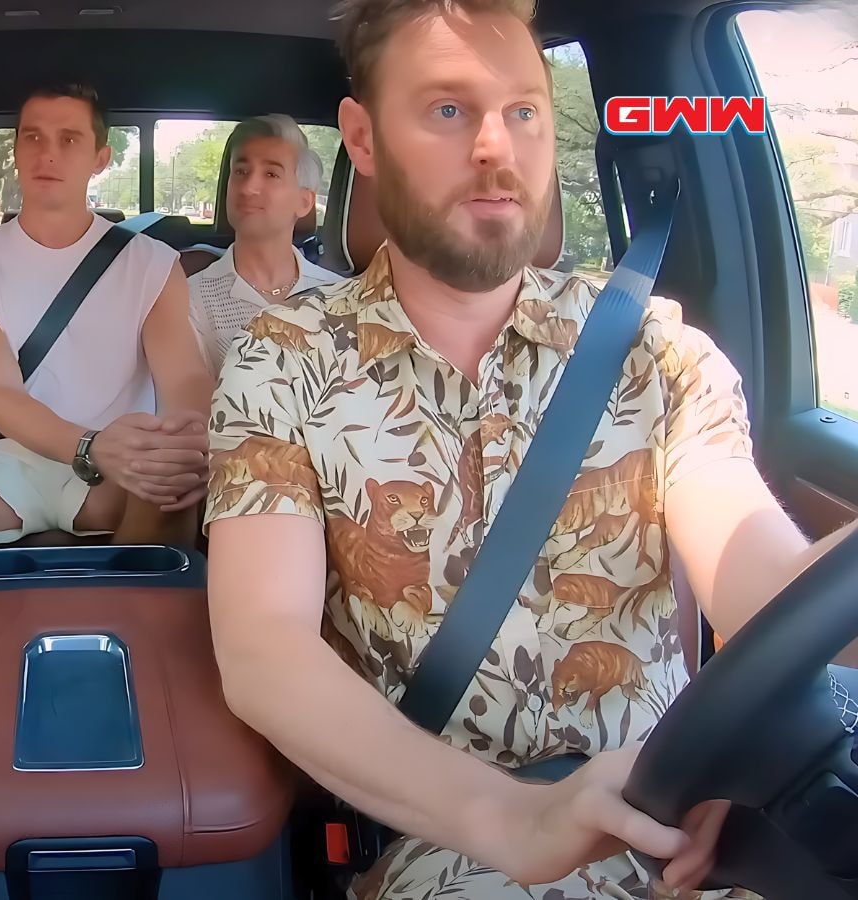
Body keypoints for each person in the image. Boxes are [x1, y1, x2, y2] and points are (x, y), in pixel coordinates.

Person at [202, 2, 857, 899]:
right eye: (446, 111)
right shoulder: (281, 360)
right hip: (447, 843)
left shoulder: (658, 355)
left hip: (682, 825)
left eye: (523, 112)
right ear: (360, 136)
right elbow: (263, 649)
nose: (494, 150)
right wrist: (510, 820)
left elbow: (764, 585)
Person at [0, 84, 213, 576]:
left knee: (169, 469)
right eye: (33, 137)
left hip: (122, 468)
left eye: (69, 139)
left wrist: (181, 444)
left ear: (100, 158)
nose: (47, 153)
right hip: (9, 462)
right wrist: (89, 445)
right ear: (17, 148)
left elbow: (185, 381)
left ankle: (131, 614)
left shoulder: (152, 264)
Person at [188, 114, 341, 371]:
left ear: (304, 201)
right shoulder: (191, 298)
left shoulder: (337, 297)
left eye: (271, 173)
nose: (248, 187)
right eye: (241, 171)